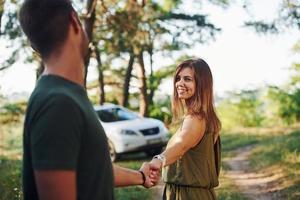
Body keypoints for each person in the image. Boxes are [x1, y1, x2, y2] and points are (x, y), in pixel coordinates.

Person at [19, 0, 158, 199]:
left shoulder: (67, 96)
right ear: (75, 21)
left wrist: (141, 176)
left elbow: (92, 168)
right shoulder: (58, 103)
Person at [149, 59, 221, 199]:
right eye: (178, 78)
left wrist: (158, 159)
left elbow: (181, 145)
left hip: (188, 195)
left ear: (201, 84)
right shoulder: (203, 117)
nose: (180, 83)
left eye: (187, 79)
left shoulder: (196, 119)